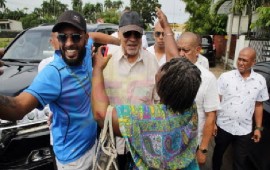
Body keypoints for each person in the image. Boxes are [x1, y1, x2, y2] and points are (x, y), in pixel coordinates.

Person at [0, 10, 97, 170]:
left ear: (85, 38)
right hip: (73, 160)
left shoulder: (86, 53)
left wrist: (118, 41)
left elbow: (97, 36)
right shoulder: (53, 73)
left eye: (75, 37)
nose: (69, 43)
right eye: (63, 37)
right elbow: (17, 107)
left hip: (93, 144)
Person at [92, 46, 202, 169]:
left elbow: (101, 114)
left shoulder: (145, 118)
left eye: (158, 79)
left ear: (161, 90)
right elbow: (181, 72)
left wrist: (97, 68)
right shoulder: (190, 106)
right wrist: (166, 27)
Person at [103, 11, 160, 169]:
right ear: (119, 33)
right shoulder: (107, 61)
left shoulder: (152, 62)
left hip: (143, 143)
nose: (133, 39)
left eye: (137, 34)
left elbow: (158, 101)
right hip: (113, 144)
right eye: (128, 34)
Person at [212, 47, 269, 170]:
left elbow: (259, 105)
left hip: (244, 129)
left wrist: (258, 128)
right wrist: (213, 122)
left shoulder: (260, 81)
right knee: (217, 155)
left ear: (253, 62)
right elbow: (216, 100)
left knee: (240, 162)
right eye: (239, 59)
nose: (241, 63)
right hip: (223, 126)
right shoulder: (225, 77)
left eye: (245, 60)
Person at [174, 32, 220, 168]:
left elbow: (211, 116)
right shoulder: (172, 73)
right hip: (172, 143)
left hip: (194, 145)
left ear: (198, 50)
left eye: (186, 50)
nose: (181, 54)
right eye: (179, 49)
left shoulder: (208, 79)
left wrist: (203, 149)